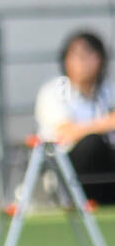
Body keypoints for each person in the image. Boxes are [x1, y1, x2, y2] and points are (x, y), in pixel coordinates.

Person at [35, 30, 115, 204]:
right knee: (92, 143)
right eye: (77, 55)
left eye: (89, 55)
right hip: (69, 168)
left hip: (107, 164)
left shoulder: (107, 90)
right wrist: (106, 123)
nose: (83, 63)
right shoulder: (54, 90)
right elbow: (64, 133)